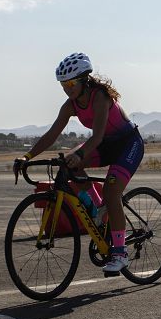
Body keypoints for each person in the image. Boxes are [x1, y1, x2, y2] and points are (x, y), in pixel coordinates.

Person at [13, 53, 144, 273]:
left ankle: (120, 253)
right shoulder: (70, 105)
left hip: (127, 144)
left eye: (71, 83)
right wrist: (27, 157)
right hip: (104, 145)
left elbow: (98, 136)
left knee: (112, 192)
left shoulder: (100, 97)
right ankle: (96, 206)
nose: (67, 88)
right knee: (67, 163)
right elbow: (51, 134)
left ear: (84, 80)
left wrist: (81, 155)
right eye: (63, 84)